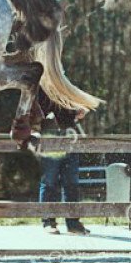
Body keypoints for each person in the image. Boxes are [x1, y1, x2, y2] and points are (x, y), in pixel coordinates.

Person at [37, 88, 90, 235]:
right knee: (49, 181)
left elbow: (68, 109)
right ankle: (48, 221)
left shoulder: (65, 85)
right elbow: (49, 110)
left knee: (72, 182)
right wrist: (73, 111)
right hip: (51, 138)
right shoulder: (44, 86)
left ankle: (73, 223)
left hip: (70, 137)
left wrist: (78, 109)